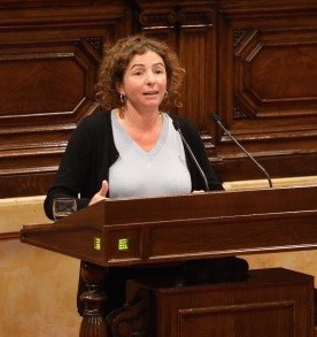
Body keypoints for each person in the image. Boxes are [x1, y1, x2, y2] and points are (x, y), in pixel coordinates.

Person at [43, 34, 226, 316]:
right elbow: (54, 204)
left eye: (158, 71)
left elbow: (216, 195)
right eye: (139, 72)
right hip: (115, 277)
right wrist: (87, 209)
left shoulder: (184, 132)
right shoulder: (94, 132)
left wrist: (205, 202)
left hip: (183, 273)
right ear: (119, 85)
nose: (151, 80)